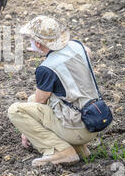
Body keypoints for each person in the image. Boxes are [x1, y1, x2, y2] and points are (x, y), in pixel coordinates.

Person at [8, 15, 99, 166]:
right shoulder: (80, 47)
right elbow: (87, 51)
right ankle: (79, 148)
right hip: (95, 119)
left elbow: (40, 102)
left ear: (37, 43)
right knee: (32, 99)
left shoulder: (47, 68)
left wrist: (27, 132)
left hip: (76, 127)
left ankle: (59, 150)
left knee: (16, 110)